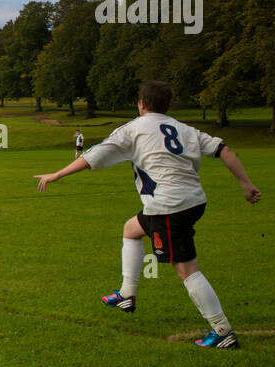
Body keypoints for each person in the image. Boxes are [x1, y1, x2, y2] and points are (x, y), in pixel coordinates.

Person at [33, 81, 261, 350]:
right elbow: (225, 151)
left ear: (141, 103)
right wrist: (246, 184)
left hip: (169, 206)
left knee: (187, 269)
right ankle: (127, 294)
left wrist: (56, 174)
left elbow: (94, 155)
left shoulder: (134, 128)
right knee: (131, 229)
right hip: (193, 201)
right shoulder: (184, 129)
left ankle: (222, 331)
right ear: (167, 104)